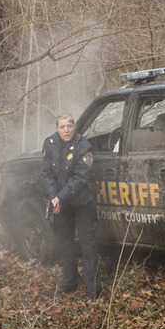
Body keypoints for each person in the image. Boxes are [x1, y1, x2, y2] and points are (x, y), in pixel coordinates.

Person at [41, 113, 101, 300]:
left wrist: (59, 196)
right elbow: (47, 174)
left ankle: (93, 290)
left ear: (74, 127)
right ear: (57, 128)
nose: (66, 130)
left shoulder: (84, 145)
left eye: (69, 126)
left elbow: (80, 179)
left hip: (82, 202)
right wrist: (53, 198)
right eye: (62, 127)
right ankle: (70, 283)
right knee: (64, 244)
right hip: (61, 205)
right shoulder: (50, 144)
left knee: (88, 245)